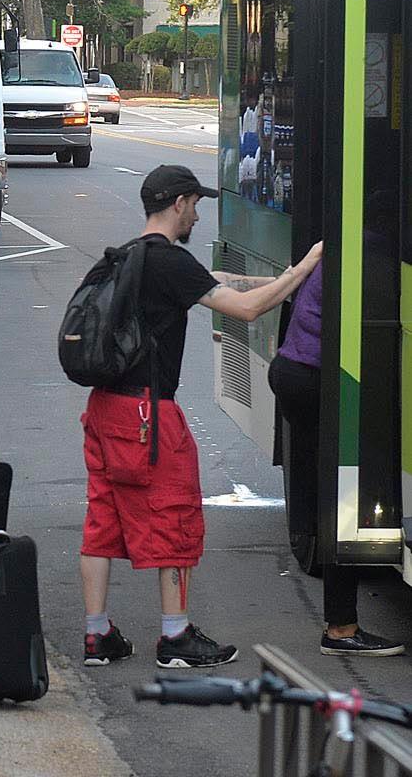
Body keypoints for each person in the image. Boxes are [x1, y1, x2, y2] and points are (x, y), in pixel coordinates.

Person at [79, 165, 323, 671]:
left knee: (103, 518)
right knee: (173, 512)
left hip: (104, 407)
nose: (198, 213)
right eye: (196, 203)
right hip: (148, 413)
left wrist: (281, 275)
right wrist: (305, 270)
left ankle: (97, 634)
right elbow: (248, 308)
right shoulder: (169, 262)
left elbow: (220, 281)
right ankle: (175, 636)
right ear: (179, 203)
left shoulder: (126, 256)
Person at [268, 261, 402, 657]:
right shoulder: (373, 254)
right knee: (348, 498)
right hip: (314, 378)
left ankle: (338, 616)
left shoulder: (349, 243)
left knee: (333, 493)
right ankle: (341, 628)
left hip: (295, 371)